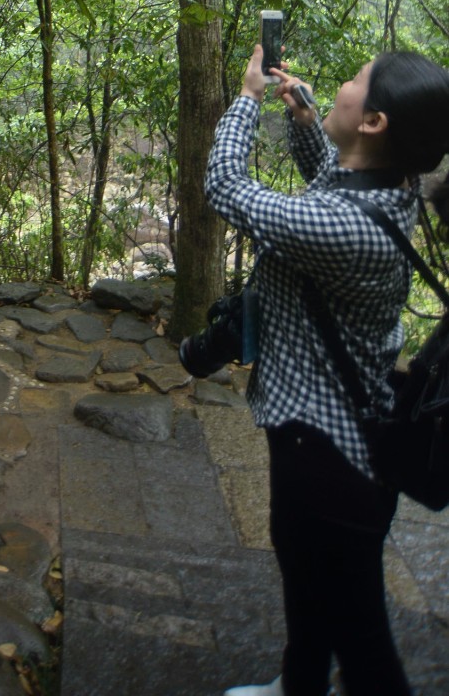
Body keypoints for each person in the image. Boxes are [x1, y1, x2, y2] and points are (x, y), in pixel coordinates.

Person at [203, 44, 449, 696]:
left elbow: (225, 188)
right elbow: (333, 180)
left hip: (328, 455)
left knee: (363, 642)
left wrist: (248, 98)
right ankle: (300, 684)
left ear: (374, 122)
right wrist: (308, 121)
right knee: (311, 581)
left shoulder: (345, 228)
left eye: (356, 80)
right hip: (337, 444)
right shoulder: (390, 189)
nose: (341, 84)